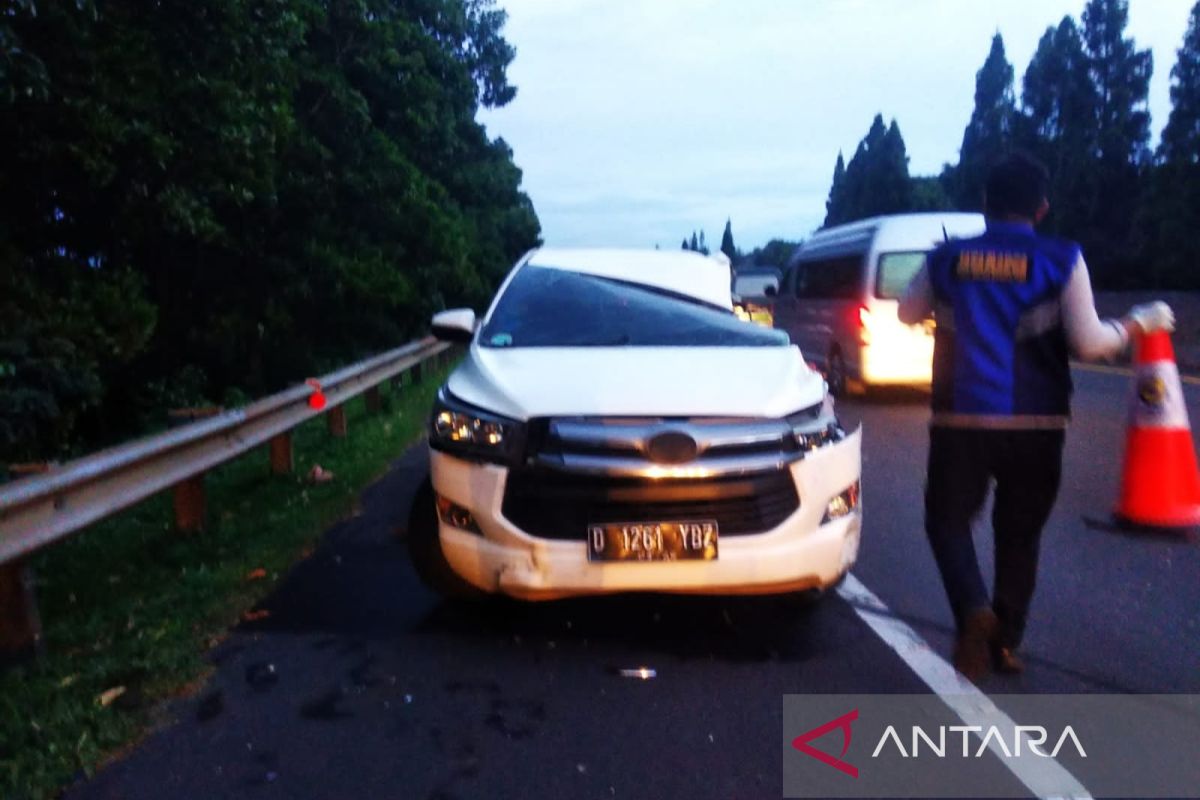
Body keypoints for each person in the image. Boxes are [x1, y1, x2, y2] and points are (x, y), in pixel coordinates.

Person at [898, 152, 1175, 680]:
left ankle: (973, 609)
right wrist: (1139, 322)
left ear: (984, 204)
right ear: (1042, 209)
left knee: (947, 523)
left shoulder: (947, 259)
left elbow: (907, 313)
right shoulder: (1063, 258)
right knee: (1019, 535)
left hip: (961, 420)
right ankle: (1005, 643)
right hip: (1040, 424)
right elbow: (1091, 343)